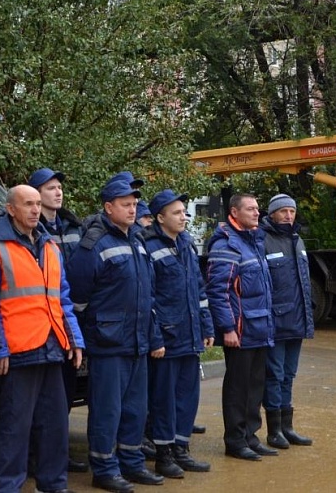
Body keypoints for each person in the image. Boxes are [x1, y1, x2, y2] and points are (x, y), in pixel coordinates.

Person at [0, 184, 85, 493]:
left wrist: (74, 340)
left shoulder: (49, 246)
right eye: (28, 204)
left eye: (37, 204)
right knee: (15, 427)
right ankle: (9, 487)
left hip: (52, 346)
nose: (35, 209)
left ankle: (53, 485)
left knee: (55, 425)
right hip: (19, 350)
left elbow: (62, 298)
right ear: (10, 209)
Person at [66, 178, 165, 493]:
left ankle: (131, 464)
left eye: (135, 203)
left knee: (135, 409)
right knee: (108, 411)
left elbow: (147, 295)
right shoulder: (93, 244)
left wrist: (152, 336)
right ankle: (105, 469)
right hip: (108, 343)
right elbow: (78, 297)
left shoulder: (138, 240)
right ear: (109, 207)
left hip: (136, 341)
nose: (133, 208)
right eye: (126, 204)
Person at [142, 189, 214, 478]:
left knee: (187, 396)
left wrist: (206, 325)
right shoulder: (148, 246)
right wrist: (156, 337)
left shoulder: (186, 243)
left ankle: (182, 449)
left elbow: (198, 289)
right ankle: (164, 454)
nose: (183, 216)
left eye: (184, 211)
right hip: (167, 338)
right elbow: (148, 298)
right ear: (160, 218)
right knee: (164, 400)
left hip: (190, 335)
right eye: (176, 213)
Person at [205, 193, 275, 461]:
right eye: (251, 209)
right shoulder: (227, 245)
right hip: (241, 330)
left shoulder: (254, 242)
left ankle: (250, 436)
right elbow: (219, 291)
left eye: (258, 208)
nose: (257, 213)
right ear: (234, 213)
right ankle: (235, 440)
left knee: (255, 385)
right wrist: (227, 328)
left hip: (259, 327)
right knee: (238, 387)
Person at [27, 167, 87, 473]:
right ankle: (37, 456)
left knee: (62, 396)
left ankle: (57, 454)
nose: (58, 192)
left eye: (59, 187)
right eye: (50, 188)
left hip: (70, 319)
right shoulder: (32, 230)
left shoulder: (71, 225)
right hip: (43, 325)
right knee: (42, 401)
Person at [260, 194, 314, 449]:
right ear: (272, 214)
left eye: (291, 211)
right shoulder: (263, 240)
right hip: (276, 322)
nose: (288, 216)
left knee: (289, 375)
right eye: (283, 212)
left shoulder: (297, 239)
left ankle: (287, 427)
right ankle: (273, 431)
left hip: (297, 321)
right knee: (274, 374)